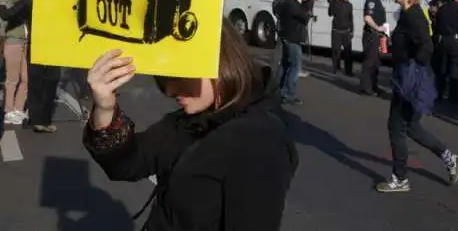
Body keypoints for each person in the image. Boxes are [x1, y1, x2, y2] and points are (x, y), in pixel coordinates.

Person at [83, 18, 299, 229]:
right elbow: (125, 164)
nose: (172, 90)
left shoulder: (259, 141)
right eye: (165, 76)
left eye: (182, 76)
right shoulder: (195, 117)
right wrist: (105, 107)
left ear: (221, 64)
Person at [376, 0, 458, 193]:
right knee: (412, 127)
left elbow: (426, 46)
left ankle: (400, 178)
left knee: (396, 127)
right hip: (407, 77)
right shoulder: (408, 15)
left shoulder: (414, 17)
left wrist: (412, 67)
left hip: (408, 82)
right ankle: (450, 158)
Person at [0, 0, 62, 133]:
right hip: (56, 43)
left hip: (36, 43)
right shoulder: (60, 0)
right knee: (51, 83)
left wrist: (0, 7)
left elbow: (7, 15)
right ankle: (45, 120)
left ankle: (35, 120)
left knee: (35, 83)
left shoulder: (30, 0)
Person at [274, 0, 311, 105]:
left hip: (288, 37)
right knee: (295, 67)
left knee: (286, 65)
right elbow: (305, 17)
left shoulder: (291, 2)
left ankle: (280, 91)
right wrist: (309, 2)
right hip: (292, 39)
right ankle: (289, 94)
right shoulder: (293, 4)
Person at [433, 0, 458, 103]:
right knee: (455, 68)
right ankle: (453, 96)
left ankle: (439, 93)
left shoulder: (442, 9)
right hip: (455, 41)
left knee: (442, 68)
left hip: (443, 41)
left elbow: (436, 25)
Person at [360, 0, 387, 97]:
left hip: (377, 35)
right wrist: (377, 27)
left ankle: (374, 86)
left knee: (376, 63)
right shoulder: (371, 0)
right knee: (369, 62)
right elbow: (367, 18)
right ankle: (366, 88)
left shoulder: (377, 1)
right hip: (371, 35)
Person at [328, 0, 354, 76]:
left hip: (346, 32)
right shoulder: (337, 2)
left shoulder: (350, 5)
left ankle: (348, 71)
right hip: (336, 31)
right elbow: (330, 13)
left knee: (348, 52)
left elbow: (351, 19)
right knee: (336, 52)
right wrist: (332, 0)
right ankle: (334, 70)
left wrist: (352, 31)